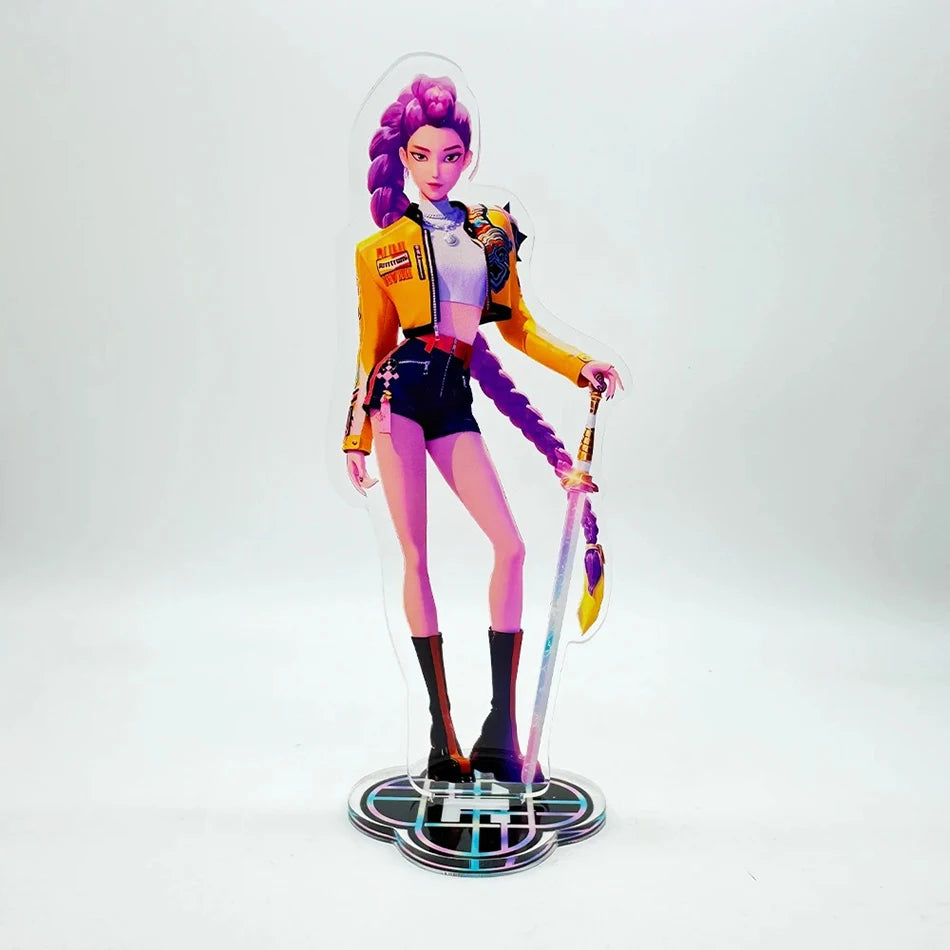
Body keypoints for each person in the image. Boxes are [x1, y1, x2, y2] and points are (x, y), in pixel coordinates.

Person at [342, 74, 622, 783]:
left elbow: (519, 328)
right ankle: (442, 735)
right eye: (422, 156)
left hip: (452, 396)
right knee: (415, 556)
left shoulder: (488, 231)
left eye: (450, 155)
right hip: (398, 396)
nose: (436, 170)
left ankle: (500, 729)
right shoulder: (380, 250)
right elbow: (371, 347)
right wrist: (355, 434)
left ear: (467, 157)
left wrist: (579, 365)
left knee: (512, 547)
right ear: (403, 159)